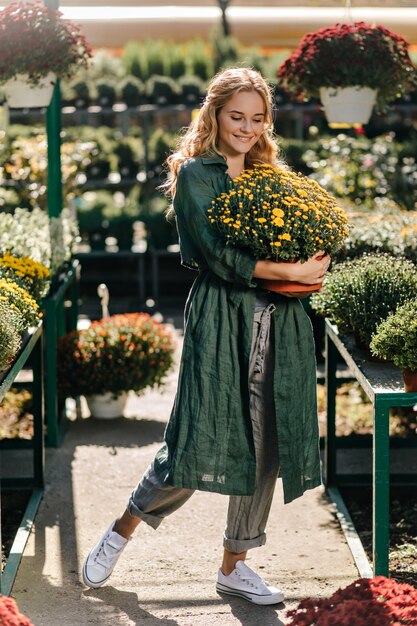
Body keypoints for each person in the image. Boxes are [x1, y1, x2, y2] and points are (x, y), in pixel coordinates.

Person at [82, 67, 331, 605]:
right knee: (198, 441)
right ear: (214, 114)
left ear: (267, 122)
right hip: (223, 320)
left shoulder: (273, 175)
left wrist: (314, 262)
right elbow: (214, 256)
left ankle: (234, 566)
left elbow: (309, 234)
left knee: (267, 446)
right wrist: (289, 274)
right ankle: (121, 529)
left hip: (278, 323)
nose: (246, 127)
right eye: (236, 116)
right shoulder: (197, 173)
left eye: (256, 118)